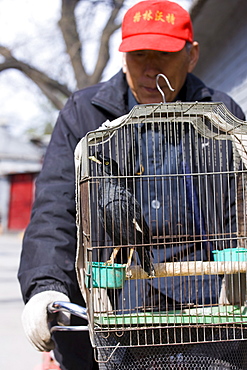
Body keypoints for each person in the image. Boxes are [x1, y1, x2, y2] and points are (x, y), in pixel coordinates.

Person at [18, 1, 246, 369]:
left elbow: (241, 204)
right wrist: (46, 286)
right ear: (123, 55)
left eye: (165, 55)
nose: (150, 68)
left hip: (206, 316)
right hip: (113, 313)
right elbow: (55, 207)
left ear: (192, 56)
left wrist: (238, 277)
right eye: (139, 55)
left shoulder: (221, 116)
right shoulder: (84, 115)